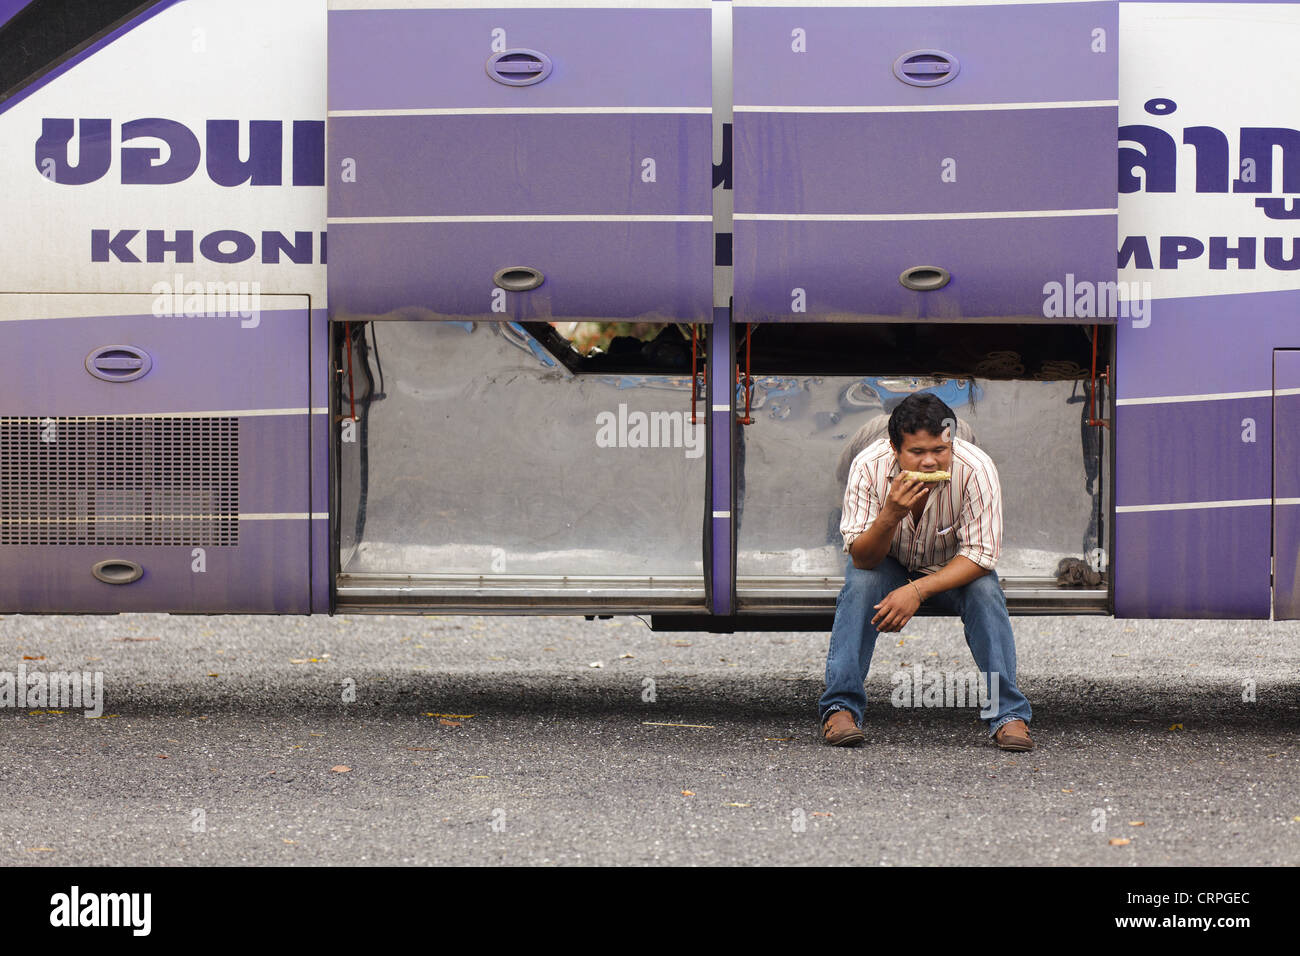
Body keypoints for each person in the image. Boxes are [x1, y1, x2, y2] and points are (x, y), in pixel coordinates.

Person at [818, 392, 1033, 750]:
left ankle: (1009, 714)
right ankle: (840, 708)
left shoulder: (976, 468)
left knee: (985, 591)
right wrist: (889, 515)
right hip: (887, 561)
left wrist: (916, 591)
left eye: (939, 450)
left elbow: (981, 555)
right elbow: (863, 557)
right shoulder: (868, 467)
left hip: (952, 566)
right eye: (917, 453)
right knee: (860, 584)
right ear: (894, 449)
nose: (931, 462)